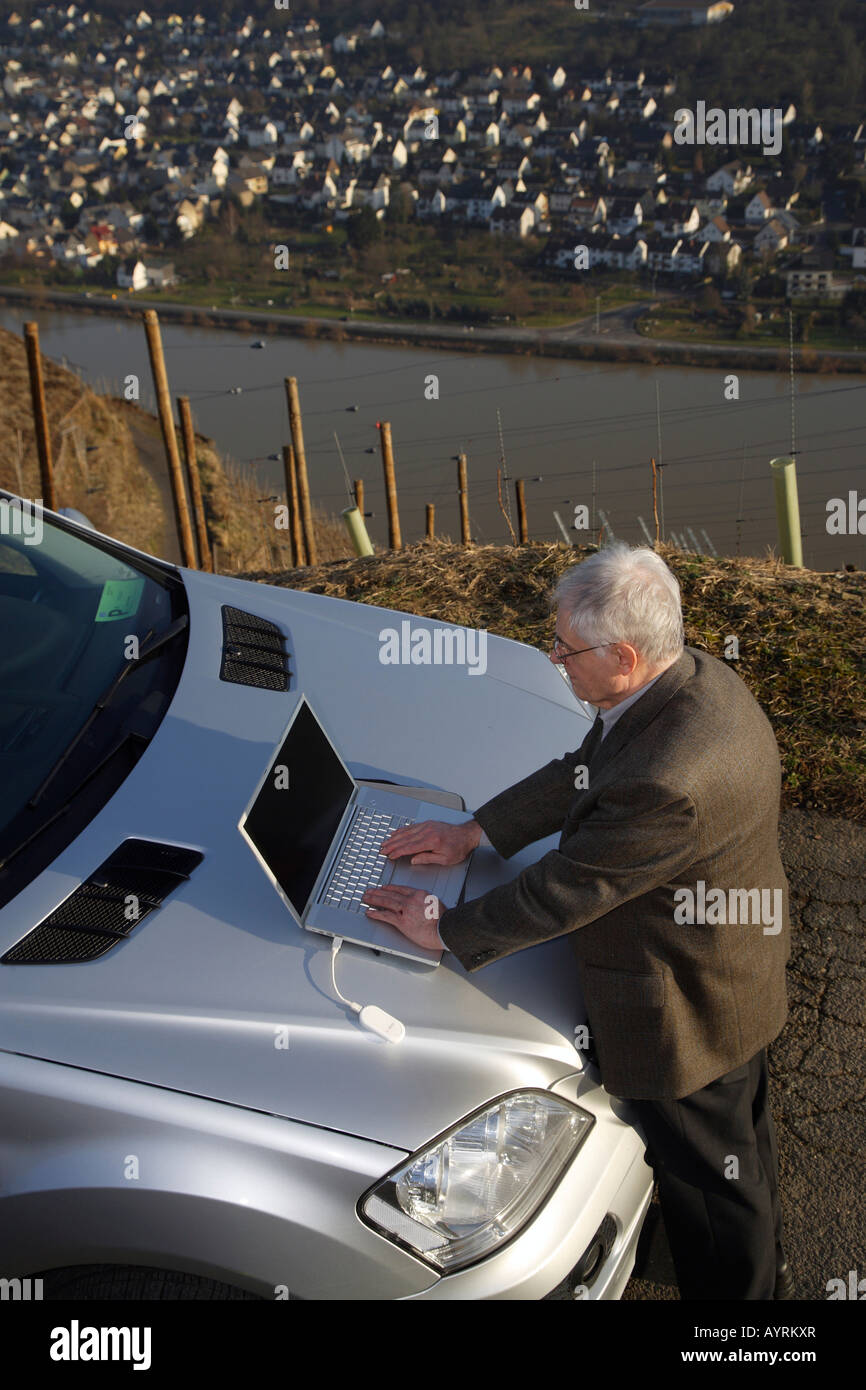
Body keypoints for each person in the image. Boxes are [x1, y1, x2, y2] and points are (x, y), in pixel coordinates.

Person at [362, 542, 792, 1301]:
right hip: (735, 971)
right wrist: (477, 833)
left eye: (566, 647)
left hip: (688, 1017)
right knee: (738, 1152)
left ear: (623, 654)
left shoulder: (669, 780)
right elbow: (584, 769)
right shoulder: (685, 683)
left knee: (711, 1194)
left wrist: (448, 929)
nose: (553, 657)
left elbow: (570, 887)